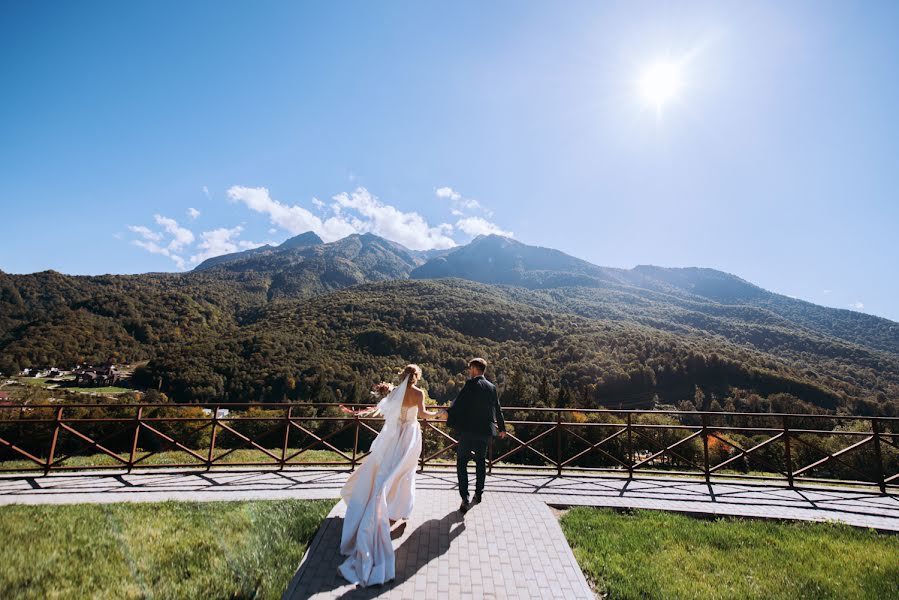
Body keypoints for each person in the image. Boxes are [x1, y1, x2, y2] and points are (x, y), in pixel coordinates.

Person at [336, 364, 438, 587]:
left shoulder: (395, 392)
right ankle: (397, 507)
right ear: (417, 377)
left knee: (387, 470)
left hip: (393, 437)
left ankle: (390, 504)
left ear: (402, 375)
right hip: (409, 435)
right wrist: (440, 412)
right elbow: (422, 414)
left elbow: (390, 406)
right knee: (404, 472)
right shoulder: (418, 393)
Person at [445, 357, 506, 513]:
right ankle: (478, 494)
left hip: (468, 431)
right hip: (485, 431)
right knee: (480, 463)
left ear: (474, 369)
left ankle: (464, 498)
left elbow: (459, 404)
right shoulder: (492, 387)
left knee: (461, 462)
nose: (469, 371)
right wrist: (502, 428)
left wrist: (447, 413)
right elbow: (497, 409)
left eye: (470, 368)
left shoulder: (470, 384)